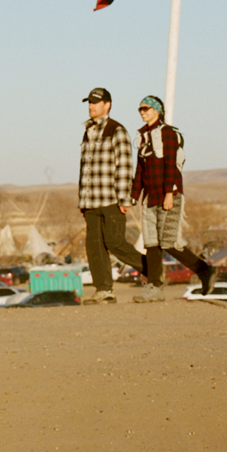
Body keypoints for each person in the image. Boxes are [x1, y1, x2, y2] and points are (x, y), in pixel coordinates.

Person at [130, 95, 218, 303]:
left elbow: (171, 164)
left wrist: (169, 192)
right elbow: (140, 170)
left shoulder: (168, 134)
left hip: (169, 195)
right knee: (151, 244)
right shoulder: (142, 137)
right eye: (140, 109)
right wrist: (133, 196)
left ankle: (204, 270)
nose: (143, 112)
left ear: (157, 111)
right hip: (149, 198)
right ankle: (155, 287)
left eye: (146, 109)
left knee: (169, 242)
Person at [76, 86, 143, 302]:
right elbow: (84, 168)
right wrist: (82, 201)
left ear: (108, 105)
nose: (91, 106)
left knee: (115, 243)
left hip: (111, 199)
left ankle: (154, 270)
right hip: (91, 201)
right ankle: (104, 289)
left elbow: (124, 166)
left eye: (95, 103)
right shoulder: (88, 131)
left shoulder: (117, 131)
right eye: (89, 103)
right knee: (94, 245)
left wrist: (125, 199)